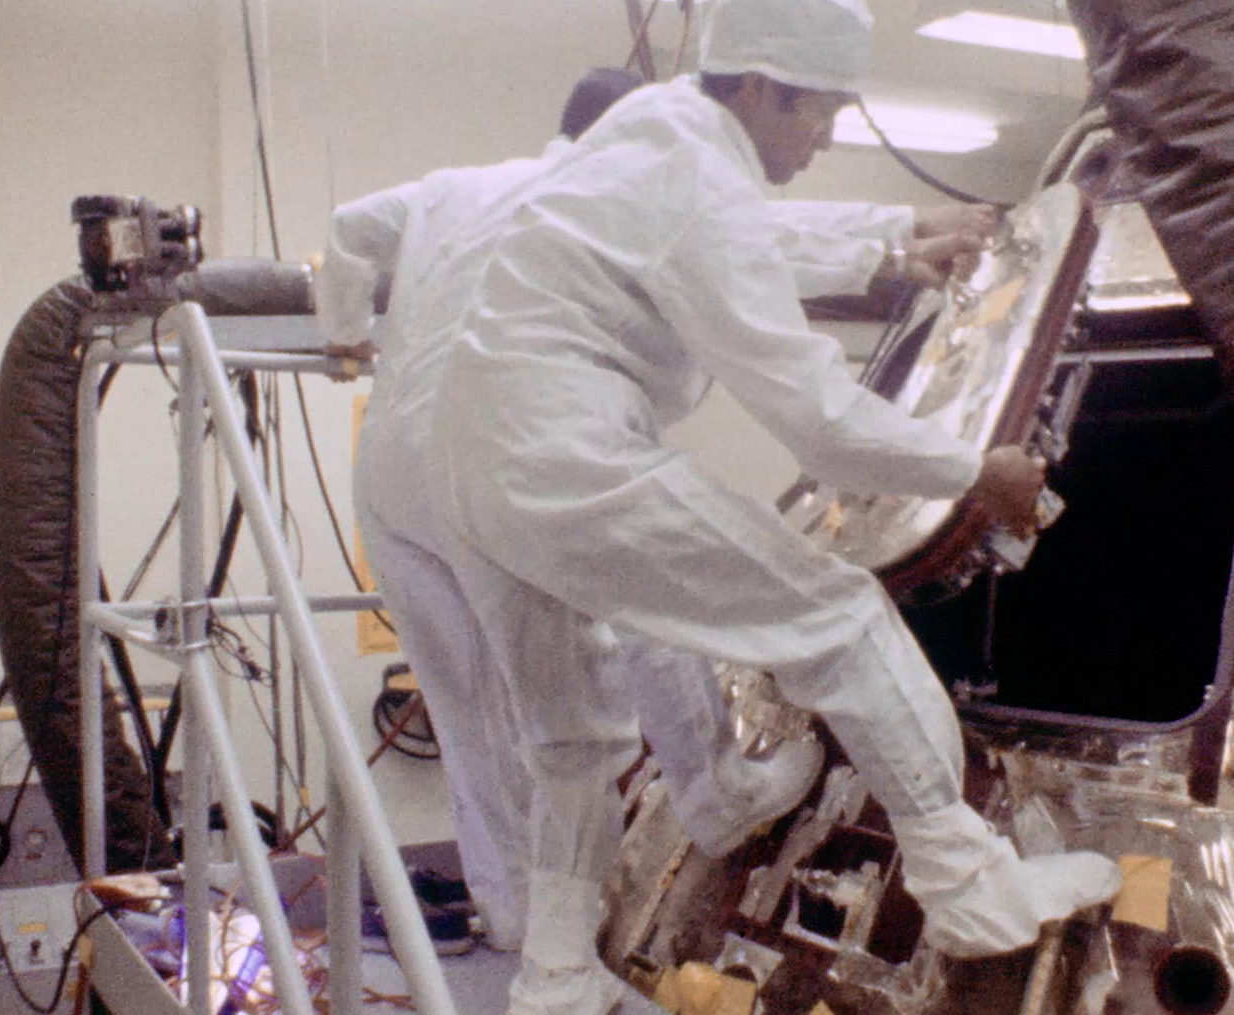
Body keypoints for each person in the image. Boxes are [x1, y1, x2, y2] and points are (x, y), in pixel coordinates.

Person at [391, 0, 1119, 1009]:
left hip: (467, 470)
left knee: (574, 742)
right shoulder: (691, 171)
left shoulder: (651, 132)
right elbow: (819, 422)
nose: (826, 138)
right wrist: (969, 469)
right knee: (836, 614)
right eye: (820, 113)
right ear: (765, 87)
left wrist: (893, 238)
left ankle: (554, 975)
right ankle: (972, 886)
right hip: (563, 455)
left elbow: (739, 231)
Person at [320, 62, 996, 969]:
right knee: (646, 607)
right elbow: (745, 238)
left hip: (401, 471)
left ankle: (524, 937)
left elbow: (348, 230)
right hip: (518, 444)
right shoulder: (629, 180)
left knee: (475, 717)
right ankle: (714, 791)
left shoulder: (465, 187)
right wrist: (892, 235)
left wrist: (342, 330)